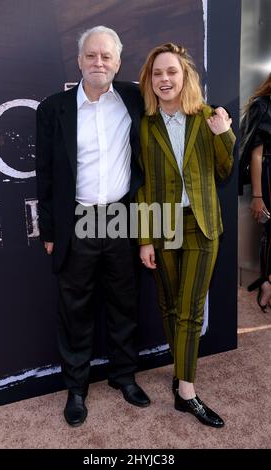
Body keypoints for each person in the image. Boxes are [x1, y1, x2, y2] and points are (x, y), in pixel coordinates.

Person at [35, 25, 150, 427]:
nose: (98, 62)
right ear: (79, 60)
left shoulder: (136, 100)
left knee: (124, 302)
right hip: (77, 219)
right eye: (91, 56)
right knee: (75, 308)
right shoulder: (53, 109)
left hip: (120, 216)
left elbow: (178, 106)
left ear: (118, 62)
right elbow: (44, 177)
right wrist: (50, 232)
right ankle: (77, 388)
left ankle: (123, 376)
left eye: (106, 56)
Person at [136, 43, 235, 427]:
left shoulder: (206, 115)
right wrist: (144, 237)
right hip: (162, 225)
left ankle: (186, 392)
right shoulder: (144, 125)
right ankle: (181, 370)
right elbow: (143, 185)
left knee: (191, 309)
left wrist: (225, 134)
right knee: (170, 305)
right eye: (157, 73)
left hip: (202, 224)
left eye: (171, 72)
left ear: (184, 75)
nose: (164, 79)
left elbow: (226, 172)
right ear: (150, 80)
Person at [239, 73, 271, 311]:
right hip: (269, 175)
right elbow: (256, 155)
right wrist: (258, 196)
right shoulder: (263, 106)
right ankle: (267, 283)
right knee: (270, 232)